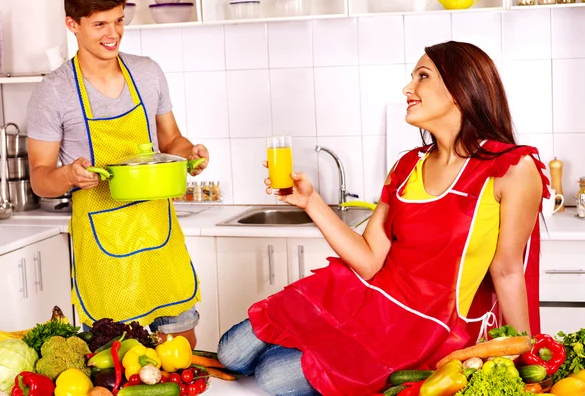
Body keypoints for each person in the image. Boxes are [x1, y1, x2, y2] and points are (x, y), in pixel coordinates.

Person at [217, 41, 550, 396]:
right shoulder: (408, 166)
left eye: (422, 76)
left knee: (271, 376)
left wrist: (528, 363)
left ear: (460, 89)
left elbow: (509, 270)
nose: (408, 88)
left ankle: (329, 352)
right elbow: (370, 259)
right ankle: (327, 346)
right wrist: (311, 201)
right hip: (368, 299)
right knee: (231, 353)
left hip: (425, 330)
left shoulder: (510, 169)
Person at [27, 0, 209, 348]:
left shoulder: (147, 72)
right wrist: (69, 175)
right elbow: (40, 178)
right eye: (100, 24)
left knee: (180, 347)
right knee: (116, 358)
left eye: (119, 21)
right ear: (72, 24)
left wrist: (189, 155)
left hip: (158, 230)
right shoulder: (54, 91)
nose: (113, 33)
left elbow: (171, 140)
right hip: (103, 243)